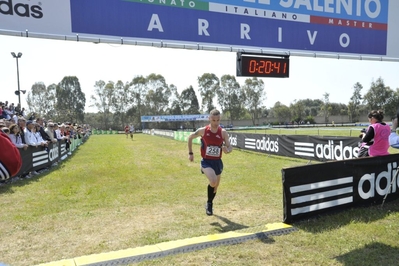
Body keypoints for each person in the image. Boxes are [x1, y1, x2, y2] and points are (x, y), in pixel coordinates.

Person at [187, 109, 233, 216]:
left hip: (217, 162)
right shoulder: (203, 131)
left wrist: (228, 150)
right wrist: (190, 153)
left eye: (217, 120)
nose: (216, 123)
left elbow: (229, 146)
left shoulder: (223, 132)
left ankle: (210, 202)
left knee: (215, 187)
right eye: (213, 120)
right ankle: (209, 204)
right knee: (213, 181)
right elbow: (190, 137)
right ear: (209, 119)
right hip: (206, 162)